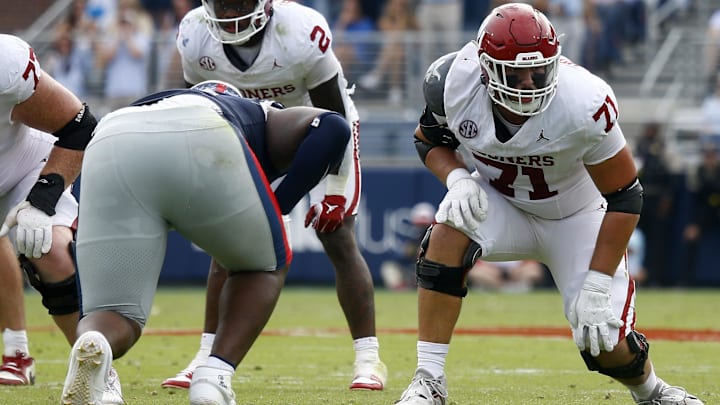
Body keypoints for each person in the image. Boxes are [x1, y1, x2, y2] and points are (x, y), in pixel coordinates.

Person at [394, 4, 704, 404]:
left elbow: (626, 195)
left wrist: (596, 281)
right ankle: (429, 380)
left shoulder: (583, 101)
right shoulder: (452, 82)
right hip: (501, 202)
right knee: (447, 232)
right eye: (515, 72)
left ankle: (652, 392)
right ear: (486, 70)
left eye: (538, 70)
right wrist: (456, 179)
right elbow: (429, 139)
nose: (528, 81)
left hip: (577, 215)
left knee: (603, 343)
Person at [60, 80, 352, 405]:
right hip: (204, 129)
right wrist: (279, 203)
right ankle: (214, 377)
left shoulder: (162, 101)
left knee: (114, 313)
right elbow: (332, 126)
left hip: (112, 136)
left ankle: (96, 340)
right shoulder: (261, 115)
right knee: (262, 266)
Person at [162, 0, 387, 391]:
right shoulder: (195, 34)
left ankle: (368, 359)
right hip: (248, 134)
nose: (231, 13)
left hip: (312, 129)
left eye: (239, 3)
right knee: (226, 240)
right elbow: (195, 109)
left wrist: (333, 187)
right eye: (222, 4)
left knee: (336, 235)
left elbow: (334, 117)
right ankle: (205, 356)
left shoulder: (299, 32)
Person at [0, 34, 124, 404]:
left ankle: (101, 372)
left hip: (23, 163)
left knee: (47, 248)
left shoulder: (6, 64)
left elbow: (80, 126)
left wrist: (42, 199)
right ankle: (17, 351)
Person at [466, 260, 545, 293]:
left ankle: (516, 288)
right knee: (475, 272)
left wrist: (516, 271)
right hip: (491, 274)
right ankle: (499, 288)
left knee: (533, 271)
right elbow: (476, 264)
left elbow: (532, 264)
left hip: (517, 273)